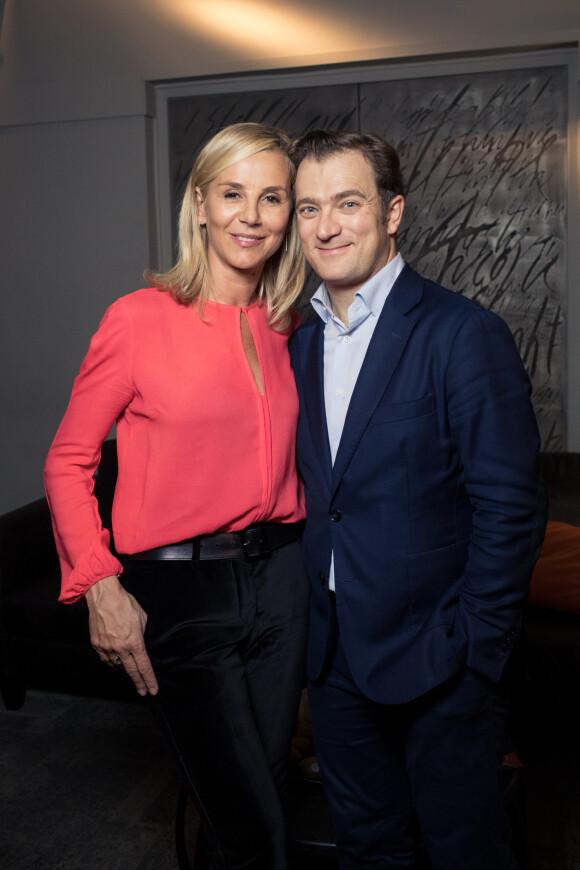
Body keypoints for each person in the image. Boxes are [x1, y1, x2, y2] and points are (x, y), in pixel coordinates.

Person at [44, 122, 310, 870]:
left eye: (272, 198)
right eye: (232, 193)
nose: (251, 215)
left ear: (290, 213)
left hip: (282, 581)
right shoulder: (137, 319)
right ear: (199, 203)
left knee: (259, 791)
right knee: (250, 822)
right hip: (182, 592)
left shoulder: (290, 324)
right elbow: (67, 462)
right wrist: (101, 584)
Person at [287, 129, 543, 869]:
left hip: (441, 664)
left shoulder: (463, 333)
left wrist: (475, 651)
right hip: (334, 662)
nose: (326, 225)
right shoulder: (302, 343)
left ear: (392, 213)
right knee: (368, 849)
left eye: (347, 202)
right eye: (309, 208)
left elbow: (510, 507)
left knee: (465, 852)